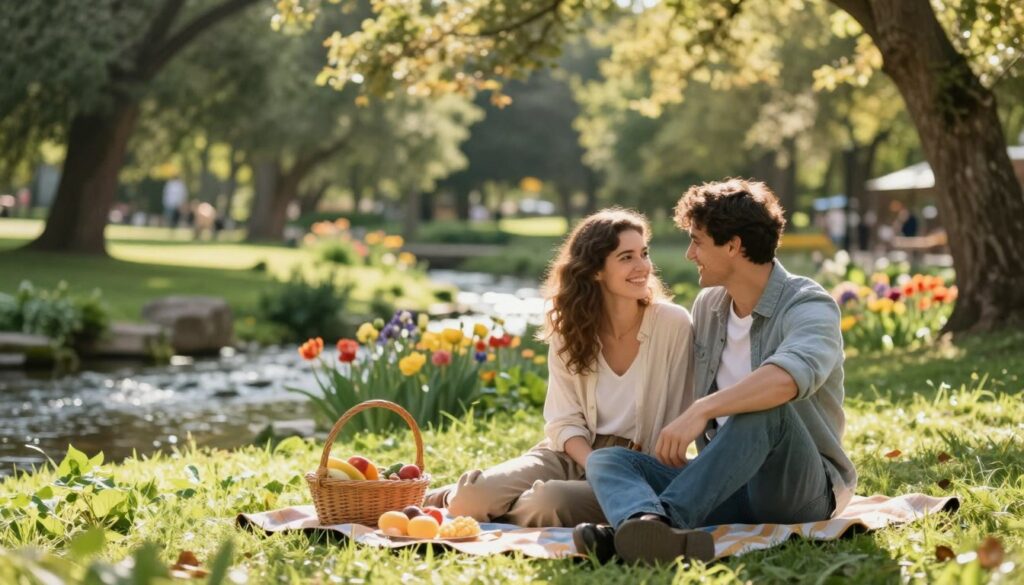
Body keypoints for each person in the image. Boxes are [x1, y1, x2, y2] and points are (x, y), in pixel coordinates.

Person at [575, 179, 857, 564]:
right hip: (724, 485)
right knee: (609, 459)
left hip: (797, 491)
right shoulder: (709, 306)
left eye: (698, 241)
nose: (690, 254)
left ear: (733, 246)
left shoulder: (808, 305)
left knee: (766, 408)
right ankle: (644, 524)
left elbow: (787, 379)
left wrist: (702, 409)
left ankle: (660, 526)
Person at [422, 208, 696, 527]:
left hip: (634, 468)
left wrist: (608, 470)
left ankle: (492, 503)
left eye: (644, 254)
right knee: (474, 500)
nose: (643, 267)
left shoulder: (672, 324)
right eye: (626, 257)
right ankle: (466, 498)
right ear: (595, 271)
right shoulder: (572, 329)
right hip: (571, 452)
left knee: (550, 502)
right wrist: (592, 462)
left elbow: (682, 414)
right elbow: (563, 421)